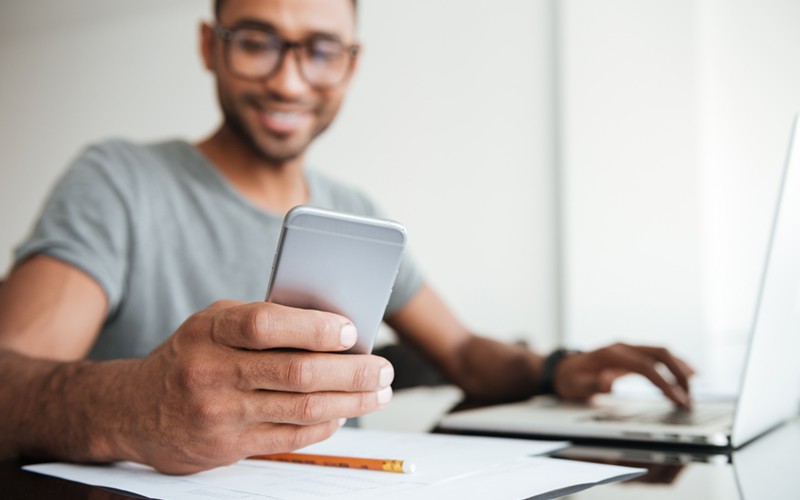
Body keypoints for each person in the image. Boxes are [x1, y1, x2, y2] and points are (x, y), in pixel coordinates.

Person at [0, 0, 693, 475]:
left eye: (321, 50)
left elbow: (461, 352)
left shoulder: (353, 213)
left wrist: (553, 369)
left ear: (352, 65)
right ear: (210, 45)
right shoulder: (120, 181)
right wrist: (137, 406)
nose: (288, 79)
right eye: (255, 40)